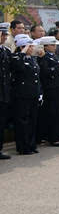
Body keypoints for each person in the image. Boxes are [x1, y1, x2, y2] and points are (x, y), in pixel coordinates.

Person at [11, 35, 41, 155]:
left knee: (32, 120)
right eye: (30, 46)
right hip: (22, 95)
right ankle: (23, 146)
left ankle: (31, 144)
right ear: (22, 47)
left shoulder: (32, 59)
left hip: (33, 93)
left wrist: (39, 92)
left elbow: (36, 78)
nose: (32, 48)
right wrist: (22, 52)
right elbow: (17, 67)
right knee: (23, 121)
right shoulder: (17, 57)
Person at [0, 23, 11, 159]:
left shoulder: (6, 51)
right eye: (2, 35)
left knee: (1, 122)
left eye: (5, 35)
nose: (4, 37)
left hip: (3, 92)